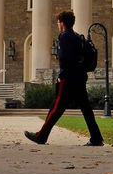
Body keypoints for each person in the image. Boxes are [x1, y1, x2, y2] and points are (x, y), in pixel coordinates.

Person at [24, 10, 104, 147]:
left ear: (62, 23)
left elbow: (66, 58)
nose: (57, 24)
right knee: (85, 108)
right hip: (80, 77)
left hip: (68, 78)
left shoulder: (65, 36)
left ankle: (41, 136)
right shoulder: (78, 37)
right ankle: (96, 138)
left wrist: (62, 76)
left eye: (58, 22)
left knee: (57, 108)